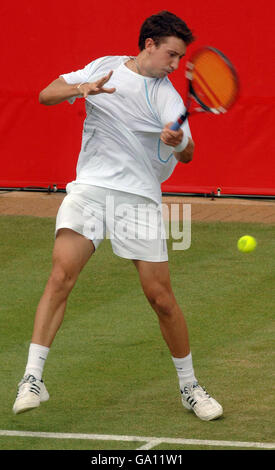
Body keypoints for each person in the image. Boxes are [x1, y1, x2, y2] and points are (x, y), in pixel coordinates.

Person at [13, 10, 223, 421]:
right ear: (149, 45)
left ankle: (189, 386)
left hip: (139, 198)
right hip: (91, 187)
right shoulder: (105, 67)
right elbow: (47, 93)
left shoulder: (168, 97)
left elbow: (189, 154)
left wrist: (177, 141)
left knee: (160, 298)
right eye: (171, 55)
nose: (176, 65)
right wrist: (82, 86)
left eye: (181, 58)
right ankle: (32, 378)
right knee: (60, 275)